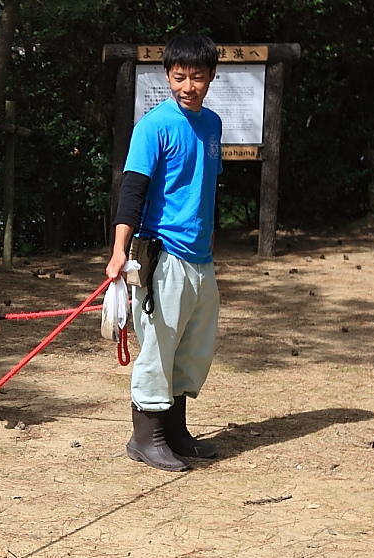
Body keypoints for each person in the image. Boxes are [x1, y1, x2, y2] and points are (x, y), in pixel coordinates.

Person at [104, 33, 223, 472]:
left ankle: (176, 432)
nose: (187, 86)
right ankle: (146, 438)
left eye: (196, 77)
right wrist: (119, 251)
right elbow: (132, 192)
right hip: (164, 253)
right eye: (179, 77)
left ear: (211, 76)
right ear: (167, 76)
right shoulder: (153, 126)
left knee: (192, 347)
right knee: (158, 345)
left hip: (200, 257)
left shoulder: (212, 124)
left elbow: (205, 186)